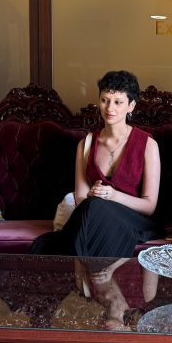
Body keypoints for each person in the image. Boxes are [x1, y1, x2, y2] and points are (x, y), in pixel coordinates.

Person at [31, 70, 161, 257]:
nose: (109, 108)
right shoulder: (85, 144)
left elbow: (149, 206)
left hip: (133, 220)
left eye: (118, 102)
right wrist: (92, 195)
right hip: (93, 214)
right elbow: (81, 198)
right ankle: (94, 272)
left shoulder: (148, 145)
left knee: (93, 209)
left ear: (131, 106)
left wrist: (112, 195)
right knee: (91, 208)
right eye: (104, 100)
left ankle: (80, 271)